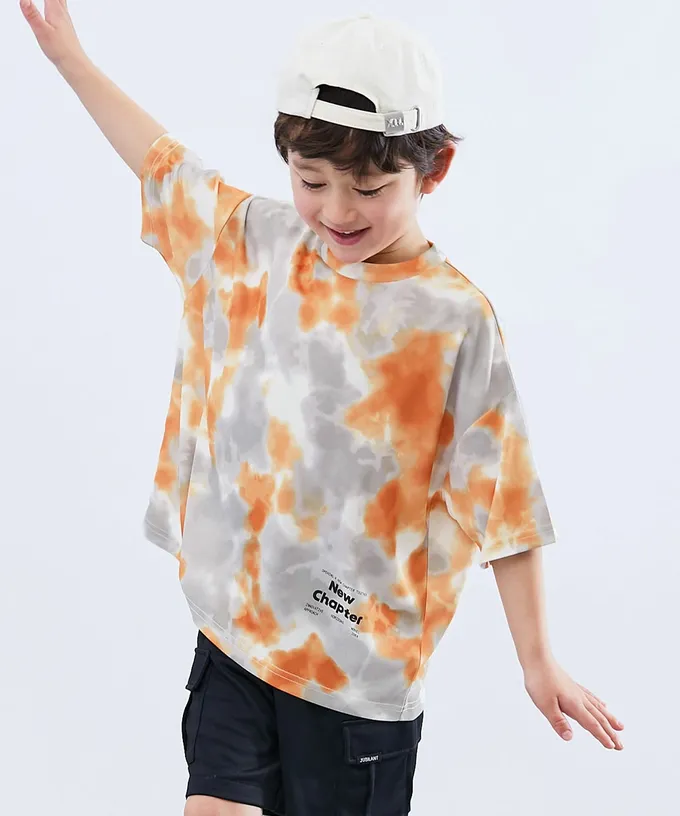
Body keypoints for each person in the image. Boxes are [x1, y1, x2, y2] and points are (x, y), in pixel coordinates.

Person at [20, 2, 624, 815]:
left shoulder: (454, 321)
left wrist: (538, 660)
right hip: (236, 639)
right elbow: (161, 163)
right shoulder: (256, 245)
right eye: (311, 182)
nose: (337, 211)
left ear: (434, 170)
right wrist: (71, 60)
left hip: (355, 682)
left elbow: (505, 503)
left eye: (369, 188)